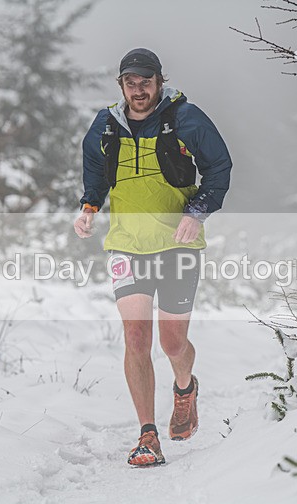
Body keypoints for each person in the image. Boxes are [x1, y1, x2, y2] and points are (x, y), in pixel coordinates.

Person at [74, 48, 232, 466]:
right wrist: (90, 206)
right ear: (121, 86)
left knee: (172, 341)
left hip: (178, 243)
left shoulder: (186, 118)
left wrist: (196, 214)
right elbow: (94, 169)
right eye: (131, 83)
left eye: (146, 82)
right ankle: (148, 435)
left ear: (160, 82)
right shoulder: (106, 125)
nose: (138, 90)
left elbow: (219, 167)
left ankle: (185, 388)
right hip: (127, 244)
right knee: (136, 338)